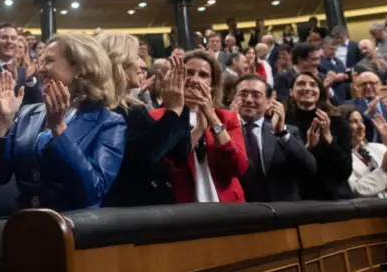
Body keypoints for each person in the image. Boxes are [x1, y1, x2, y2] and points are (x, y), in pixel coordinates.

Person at [0, 31, 125, 210]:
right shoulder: (28, 113)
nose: (40, 69)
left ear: (80, 67)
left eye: (49, 61)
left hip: (74, 230)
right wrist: (4, 121)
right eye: (41, 61)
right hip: (24, 226)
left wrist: (59, 130)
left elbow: (92, 192)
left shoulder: (109, 123)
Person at [101, 37, 189, 207]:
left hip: (154, 208)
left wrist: (180, 105)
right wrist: (173, 111)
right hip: (128, 213)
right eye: (136, 56)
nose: (143, 64)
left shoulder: (135, 108)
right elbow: (143, 157)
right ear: (117, 61)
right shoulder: (102, 110)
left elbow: (178, 152)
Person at [158, 49, 247, 203]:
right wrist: (197, 131)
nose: (195, 79)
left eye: (204, 75)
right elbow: (165, 169)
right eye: (189, 73)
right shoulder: (159, 117)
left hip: (228, 208)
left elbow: (238, 167)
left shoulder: (227, 118)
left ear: (212, 85)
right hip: (183, 209)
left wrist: (212, 118)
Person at [233, 74, 316, 202]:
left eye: (256, 95)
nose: (249, 100)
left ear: (268, 102)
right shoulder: (222, 131)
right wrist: (230, 126)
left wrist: (281, 133)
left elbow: (309, 167)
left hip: (282, 213)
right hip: (237, 212)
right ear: (233, 98)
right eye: (243, 94)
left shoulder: (288, 131)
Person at [286, 72, 353, 200]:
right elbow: (285, 171)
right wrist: (307, 148)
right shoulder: (282, 123)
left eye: (313, 85)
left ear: (319, 92)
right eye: (301, 84)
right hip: (298, 199)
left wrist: (329, 141)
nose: (307, 88)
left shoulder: (338, 123)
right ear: (291, 92)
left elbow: (345, 171)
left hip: (334, 197)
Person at [339, 105, 387, 199]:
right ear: (341, 125)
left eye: (361, 121)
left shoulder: (380, 148)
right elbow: (357, 191)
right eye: (354, 122)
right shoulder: (339, 158)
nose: (361, 126)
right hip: (369, 212)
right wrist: (384, 167)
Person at [351, 71, 387, 143]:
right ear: (357, 87)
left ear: (380, 85)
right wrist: (368, 112)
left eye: (372, 83)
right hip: (366, 146)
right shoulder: (351, 105)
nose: (368, 87)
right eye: (363, 84)